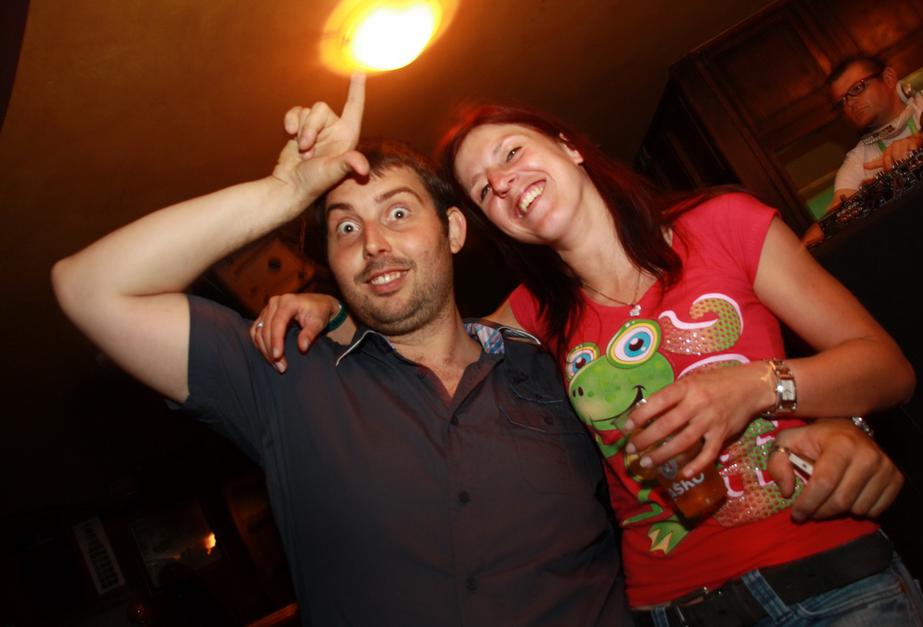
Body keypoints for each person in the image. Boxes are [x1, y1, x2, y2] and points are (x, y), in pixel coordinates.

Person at [254, 97, 923, 624]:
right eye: (484, 190)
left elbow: (887, 369)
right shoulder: (534, 314)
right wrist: (331, 309)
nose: (504, 183)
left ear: (569, 146)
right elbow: (425, 327)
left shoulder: (720, 224)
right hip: (672, 609)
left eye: (511, 152)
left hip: (827, 582)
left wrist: (756, 387)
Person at [51, 76, 632, 626]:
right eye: (346, 228)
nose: (373, 243)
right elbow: (89, 288)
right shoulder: (286, 376)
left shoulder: (558, 364)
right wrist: (282, 193)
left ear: (453, 231)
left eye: (398, 213)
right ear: (330, 261)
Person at [802, 55, 923, 245]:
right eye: (842, 101)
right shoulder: (856, 161)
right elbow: (830, 220)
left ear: (888, 78)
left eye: (857, 88)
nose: (850, 103)